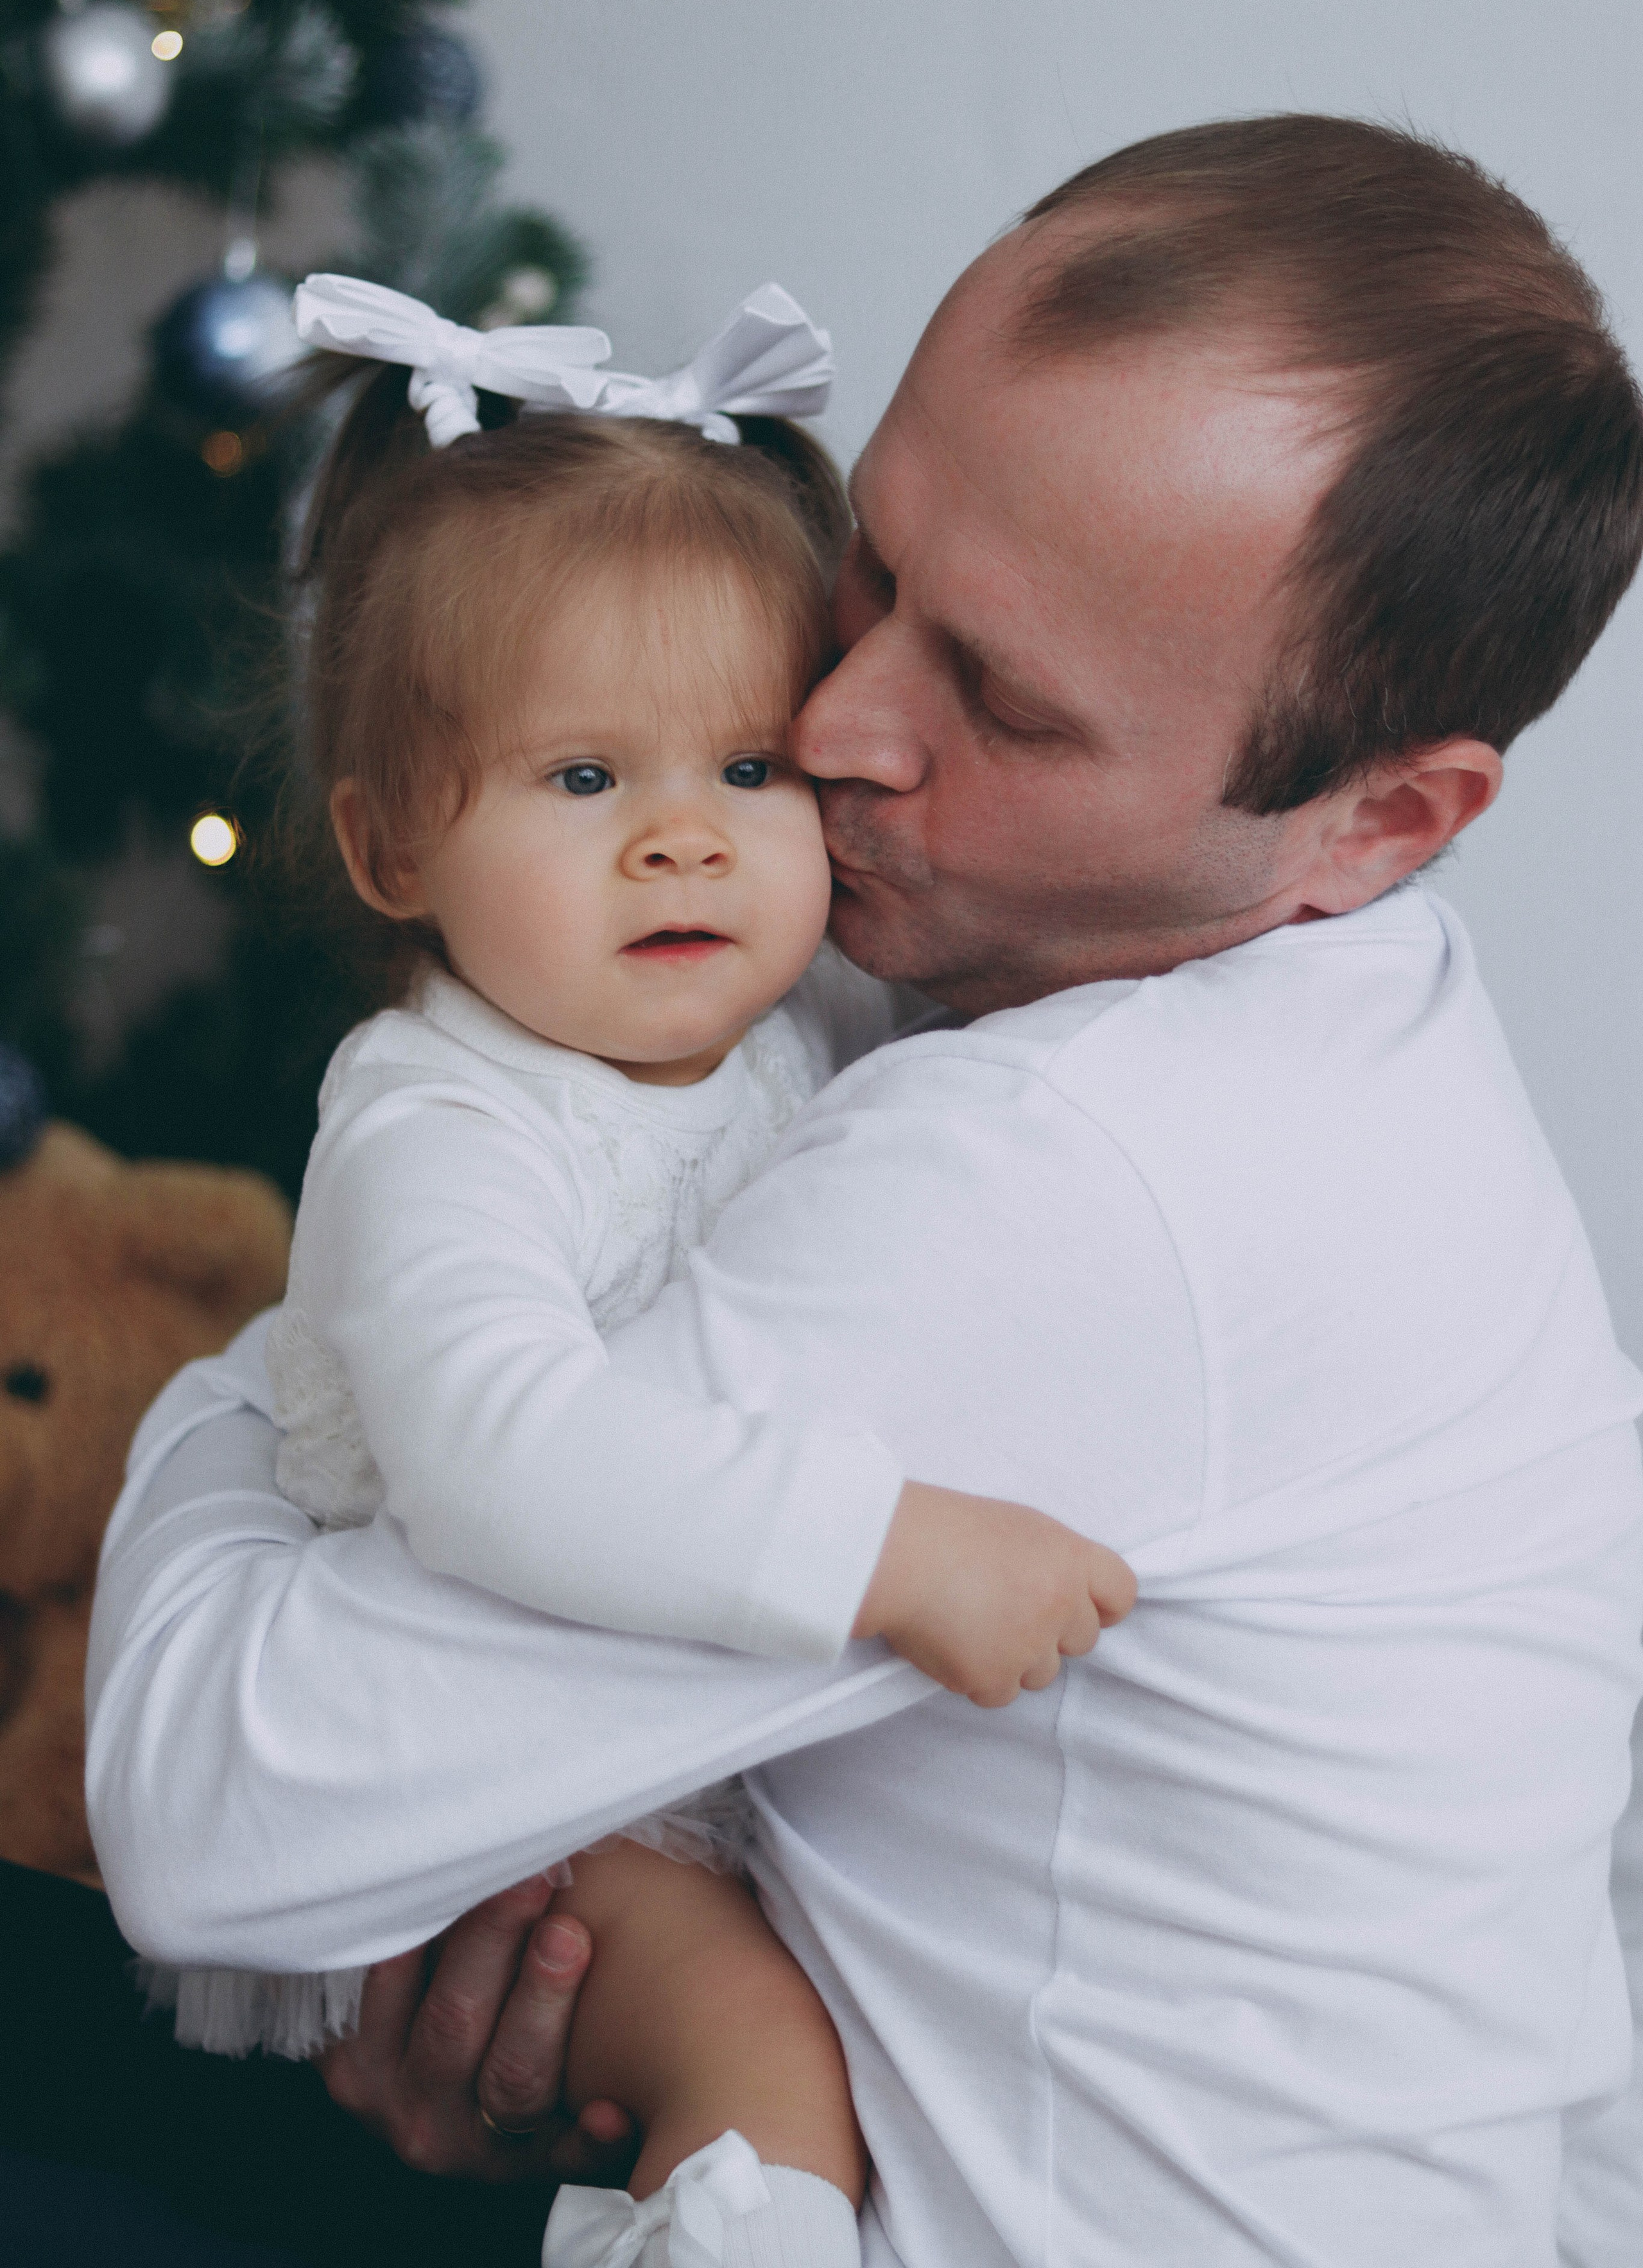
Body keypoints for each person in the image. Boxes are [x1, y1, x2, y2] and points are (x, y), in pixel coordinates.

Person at [88, 116, 1643, 2267]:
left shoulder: (1073, 1177)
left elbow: (209, 1811)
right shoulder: (1334, 1021)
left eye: (995, 695)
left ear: (1381, 817)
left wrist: (249, 1380)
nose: (829, 721)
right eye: (877, 565)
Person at [133, 279, 1132, 2268]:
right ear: (394, 844)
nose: (682, 844)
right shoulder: (442, 1125)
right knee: (772, 2073)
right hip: (505, 1818)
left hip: (681, 1750)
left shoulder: (815, 1025)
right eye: (585, 781)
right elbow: (503, 1457)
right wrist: (889, 1552)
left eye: (746, 773)